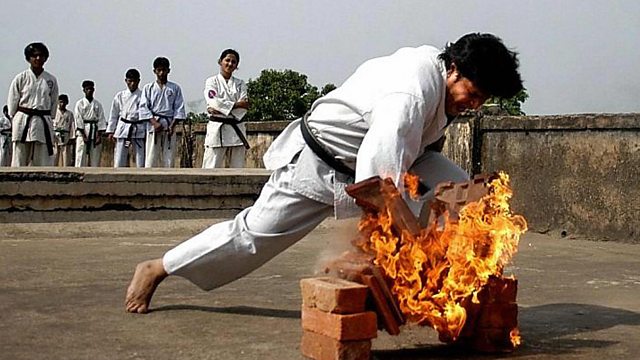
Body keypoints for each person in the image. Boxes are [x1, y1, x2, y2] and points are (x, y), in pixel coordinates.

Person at [125, 33, 524, 314]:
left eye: (483, 100)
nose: (475, 104)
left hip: (381, 161)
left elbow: (415, 154)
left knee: (468, 195)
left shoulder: (439, 82)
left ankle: (453, 286)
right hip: (318, 164)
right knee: (251, 237)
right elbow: (378, 181)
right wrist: (395, 243)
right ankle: (159, 268)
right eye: (473, 93)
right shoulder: (412, 91)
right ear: (452, 69)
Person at [7, 42, 58, 167]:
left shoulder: (50, 80)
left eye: (41, 56)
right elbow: (12, 101)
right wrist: (13, 118)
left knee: (43, 161)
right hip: (23, 121)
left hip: (43, 122)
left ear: (46, 58)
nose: (38, 59)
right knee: (19, 159)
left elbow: (53, 102)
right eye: (34, 56)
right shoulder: (21, 78)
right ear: (28, 58)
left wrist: (49, 117)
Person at [202, 49, 250, 168]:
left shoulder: (240, 84)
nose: (230, 64)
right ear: (220, 61)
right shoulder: (211, 81)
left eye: (233, 62)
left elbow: (244, 106)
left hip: (236, 129)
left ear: (236, 66)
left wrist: (222, 108)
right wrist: (236, 104)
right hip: (217, 129)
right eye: (227, 60)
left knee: (237, 169)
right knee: (210, 167)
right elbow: (214, 103)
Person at [139, 57, 186, 168]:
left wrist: (173, 125)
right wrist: (154, 123)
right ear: (154, 71)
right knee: (151, 155)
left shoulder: (175, 88)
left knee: (169, 156)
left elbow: (179, 108)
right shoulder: (148, 88)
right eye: (159, 70)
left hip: (169, 123)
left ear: (168, 70)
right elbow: (144, 107)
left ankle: (169, 179)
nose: (161, 73)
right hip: (153, 123)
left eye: (164, 70)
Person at [107, 69, 145, 168]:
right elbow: (114, 114)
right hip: (124, 128)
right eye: (130, 81)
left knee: (140, 157)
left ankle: (141, 176)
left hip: (138, 128)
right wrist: (111, 131)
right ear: (126, 81)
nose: (132, 84)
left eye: (135, 81)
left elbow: (147, 114)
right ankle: (118, 175)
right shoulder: (120, 96)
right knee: (120, 156)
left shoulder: (143, 96)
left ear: (139, 81)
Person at [74, 80, 106, 167]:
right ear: (84, 90)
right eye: (87, 89)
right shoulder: (80, 104)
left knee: (95, 159)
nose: (89, 91)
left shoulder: (97, 104)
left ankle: (95, 177)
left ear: (94, 90)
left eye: (91, 89)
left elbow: (101, 119)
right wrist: (83, 135)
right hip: (83, 132)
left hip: (95, 133)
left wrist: (99, 135)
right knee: (80, 157)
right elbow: (78, 119)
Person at [52, 94, 75, 166]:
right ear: (58, 102)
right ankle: (52, 170)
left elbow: (72, 126)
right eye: (60, 102)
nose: (62, 104)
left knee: (66, 155)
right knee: (55, 154)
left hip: (66, 135)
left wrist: (72, 137)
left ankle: (66, 169)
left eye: (64, 102)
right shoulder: (54, 112)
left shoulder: (70, 114)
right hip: (55, 135)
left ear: (67, 102)